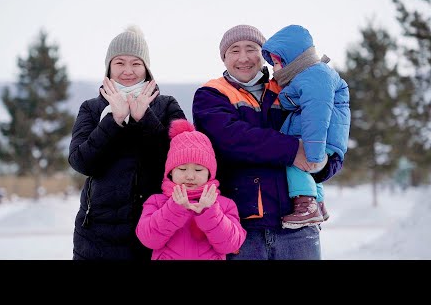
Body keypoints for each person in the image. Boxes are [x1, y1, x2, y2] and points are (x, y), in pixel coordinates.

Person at [192, 24, 343, 260]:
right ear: (224, 58)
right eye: (234, 50)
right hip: (239, 228)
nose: (243, 58)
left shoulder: (291, 89)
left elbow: (327, 130)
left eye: (251, 48)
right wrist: (294, 150)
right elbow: (233, 140)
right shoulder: (210, 94)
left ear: (264, 54)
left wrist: (322, 164)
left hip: (298, 228)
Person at [68, 25, 187, 260]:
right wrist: (114, 120)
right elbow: (82, 162)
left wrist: (145, 119)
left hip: (155, 228)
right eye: (120, 63)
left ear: (147, 68)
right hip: (96, 236)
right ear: (109, 67)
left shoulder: (166, 106)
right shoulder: (92, 108)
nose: (128, 71)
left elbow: (181, 161)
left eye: (136, 63)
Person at [261, 24, 351, 229]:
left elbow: (316, 117)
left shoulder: (316, 77)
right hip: (318, 141)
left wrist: (313, 154)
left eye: (276, 63)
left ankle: (306, 205)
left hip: (321, 141)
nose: (274, 69)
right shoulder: (309, 76)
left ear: (291, 60)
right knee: (303, 164)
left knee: (295, 162)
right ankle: (318, 204)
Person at [135, 119, 246, 260]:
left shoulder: (225, 205)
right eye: (182, 169)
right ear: (170, 172)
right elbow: (148, 240)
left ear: (209, 173)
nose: (190, 176)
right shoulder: (156, 202)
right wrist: (173, 209)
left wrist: (210, 212)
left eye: (198, 169)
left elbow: (231, 245)